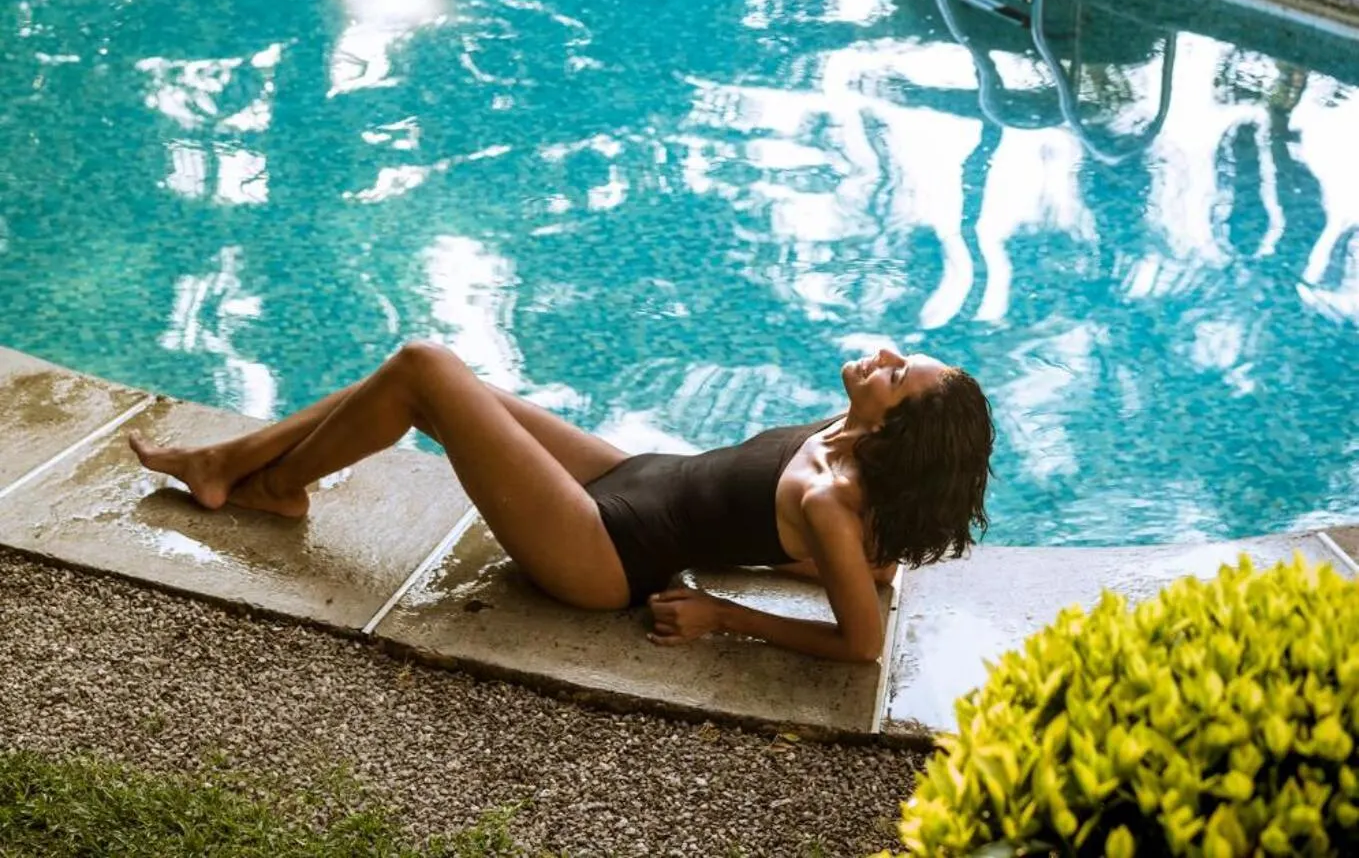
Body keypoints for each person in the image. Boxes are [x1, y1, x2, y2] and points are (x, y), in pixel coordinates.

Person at [130, 342, 993, 666]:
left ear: (894, 435)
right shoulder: (844, 439)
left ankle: (275, 488)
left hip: (601, 551)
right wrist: (792, 559)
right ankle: (231, 461)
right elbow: (869, 565)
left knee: (427, 369)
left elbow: (863, 643)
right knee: (424, 379)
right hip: (631, 478)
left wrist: (725, 615)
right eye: (901, 354)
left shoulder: (835, 497)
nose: (882, 354)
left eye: (896, 374)